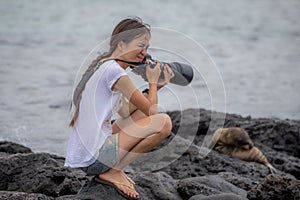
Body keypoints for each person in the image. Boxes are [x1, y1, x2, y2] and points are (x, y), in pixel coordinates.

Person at [64, 17, 174, 199]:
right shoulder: (114, 72)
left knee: (140, 114)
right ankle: (113, 170)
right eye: (140, 45)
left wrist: (156, 87)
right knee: (164, 122)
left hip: (88, 156)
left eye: (146, 48)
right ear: (121, 45)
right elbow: (153, 112)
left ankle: (111, 169)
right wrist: (152, 82)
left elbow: (126, 112)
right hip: (95, 159)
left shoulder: (104, 66)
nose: (144, 53)